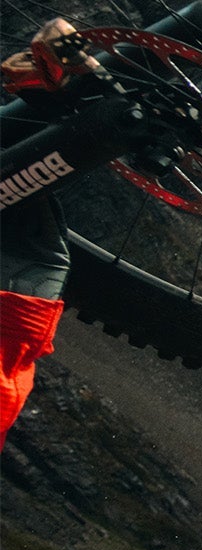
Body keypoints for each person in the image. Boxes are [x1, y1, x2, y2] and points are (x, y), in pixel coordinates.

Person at [0, 19, 85, 454]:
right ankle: (48, 91)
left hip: (27, 303)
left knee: (25, 168)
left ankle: (52, 91)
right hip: (11, 308)